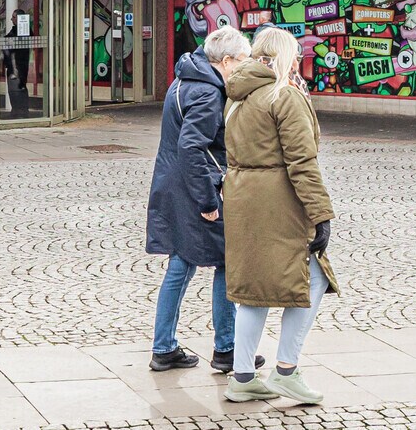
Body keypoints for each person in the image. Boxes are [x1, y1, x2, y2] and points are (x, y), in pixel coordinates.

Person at [222, 25, 338, 406]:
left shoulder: (237, 97)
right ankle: (286, 371)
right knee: (315, 278)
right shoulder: (282, 96)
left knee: (253, 293)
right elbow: (302, 162)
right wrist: (321, 214)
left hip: (243, 200)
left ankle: (241, 377)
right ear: (285, 57)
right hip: (279, 203)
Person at [145, 24, 252, 373]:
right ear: (225, 60)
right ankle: (227, 348)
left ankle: (165, 347)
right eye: (241, 62)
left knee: (182, 262)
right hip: (195, 188)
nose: (243, 69)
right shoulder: (208, 93)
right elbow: (192, 147)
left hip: (173, 183)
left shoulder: (184, 80)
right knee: (224, 260)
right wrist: (208, 200)